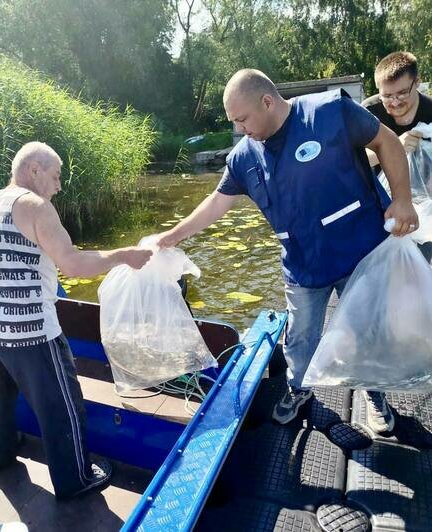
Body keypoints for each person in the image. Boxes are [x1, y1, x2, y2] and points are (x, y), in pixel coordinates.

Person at [157, 69, 418, 433]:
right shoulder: (244, 156)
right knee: (299, 335)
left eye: (243, 119)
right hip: (302, 263)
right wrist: (172, 236)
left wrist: (403, 201)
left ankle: (375, 396)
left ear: (267, 101)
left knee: (366, 330)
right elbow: (217, 202)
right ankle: (298, 389)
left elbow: (387, 142)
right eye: (234, 122)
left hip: (359, 252)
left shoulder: (330, 112)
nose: (240, 129)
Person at [0, 142, 152, 500]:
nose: (59, 185)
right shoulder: (37, 207)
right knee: (61, 408)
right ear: (34, 170)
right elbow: (74, 265)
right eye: (56, 175)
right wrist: (125, 255)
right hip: (30, 330)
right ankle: (76, 480)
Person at [363, 50, 432, 261]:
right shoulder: (369, 112)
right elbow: (352, 162)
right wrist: (394, 148)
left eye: (401, 93)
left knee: (420, 268)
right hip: (380, 207)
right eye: (386, 95)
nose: (394, 102)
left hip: (425, 208)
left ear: (417, 82)